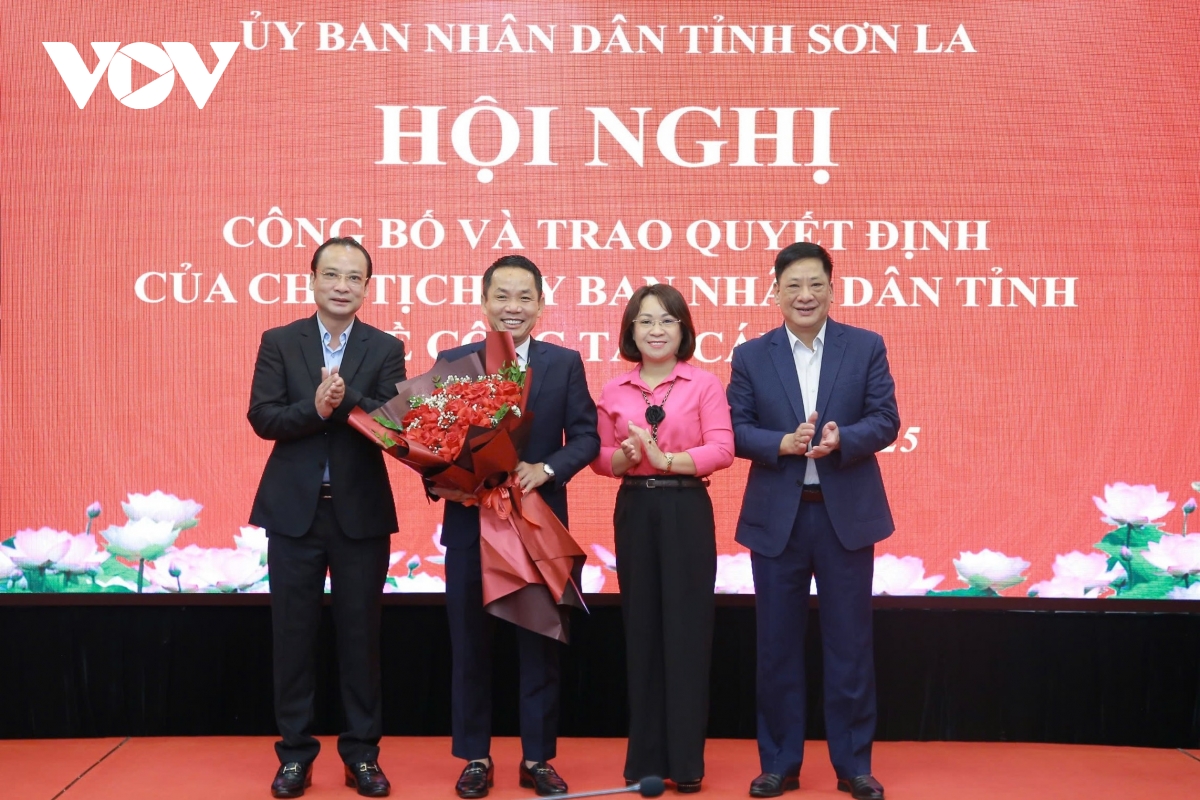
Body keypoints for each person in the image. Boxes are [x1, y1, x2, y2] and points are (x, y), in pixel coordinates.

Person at [727, 242, 900, 800]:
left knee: (850, 646)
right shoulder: (751, 355)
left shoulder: (865, 346)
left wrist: (842, 438)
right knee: (776, 647)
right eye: (793, 285)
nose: (805, 295)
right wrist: (780, 443)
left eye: (815, 284)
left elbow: (886, 420)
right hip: (778, 518)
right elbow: (734, 429)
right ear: (774, 291)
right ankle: (780, 763)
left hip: (844, 517)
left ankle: (853, 765)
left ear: (831, 288)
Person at [432, 255, 600, 798]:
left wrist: (546, 468)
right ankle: (475, 758)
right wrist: (446, 483)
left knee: (540, 644)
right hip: (470, 527)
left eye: (525, 297)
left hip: (536, 525)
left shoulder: (564, 363)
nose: (513, 307)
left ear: (541, 305)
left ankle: (537, 758)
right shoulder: (454, 362)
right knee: (469, 647)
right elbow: (430, 443)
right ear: (483, 302)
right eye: (502, 296)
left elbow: (586, 437)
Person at [248, 237, 406, 799]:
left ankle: (362, 755)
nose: (342, 286)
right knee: (293, 639)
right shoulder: (279, 341)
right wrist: (313, 409)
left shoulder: (385, 347)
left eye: (354, 277)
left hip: (359, 515)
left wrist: (346, 398)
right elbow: (263, 417)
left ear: (367, 287)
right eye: (332, 275)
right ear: (312, 279)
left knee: (361, 639)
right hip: (294, 514)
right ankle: (294, 756)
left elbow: (395, 424)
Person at [589, 284, 734, 791]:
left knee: (687, 632)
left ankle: (687, 763)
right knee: (643, 629)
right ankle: (646, 762)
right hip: (635, 508)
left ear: (683, 329)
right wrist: (624, 459)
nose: (656, 330)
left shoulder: (704, 384)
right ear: (630, 330)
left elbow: (723, 448)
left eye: (667, 320)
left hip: (685, 506)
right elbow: (598, 456)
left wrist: (667, 459)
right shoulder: (614, 390)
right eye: (646, 321)